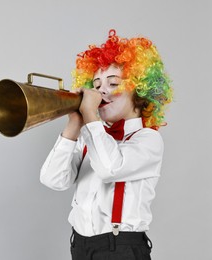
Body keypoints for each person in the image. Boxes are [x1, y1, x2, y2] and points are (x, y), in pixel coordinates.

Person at [40, 30, 173, 260]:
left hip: (121, 249)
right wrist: (74, 124)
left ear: (139, 90)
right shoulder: (88, 137)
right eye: (97, 84)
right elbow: (53, 179)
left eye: (113, 83)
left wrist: (90, 117)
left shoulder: (148, 140)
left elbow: (110, 167)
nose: (101, 91)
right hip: (80, 247)